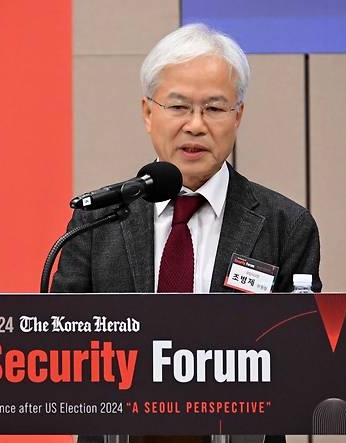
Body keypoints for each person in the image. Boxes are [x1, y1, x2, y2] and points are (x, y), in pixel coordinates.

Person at [51, 23, 322, 443]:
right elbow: (62, 354)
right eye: (178, 107)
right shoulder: (96, 220)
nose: (196, 125)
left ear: (239, 115)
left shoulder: (286, 225)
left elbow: (302, 363)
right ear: (147, 113)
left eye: (214, 108)